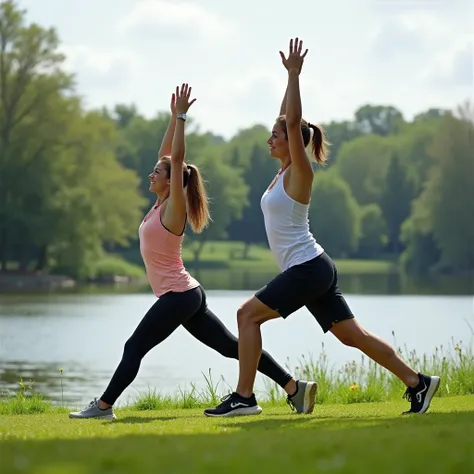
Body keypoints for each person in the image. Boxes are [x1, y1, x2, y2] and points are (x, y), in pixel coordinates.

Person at [204, 39, 440, 418]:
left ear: (293, 143)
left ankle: (244, 397)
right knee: (353, 336)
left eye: (275, 136)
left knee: (246, 315)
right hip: (313, 267)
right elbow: (286, 118)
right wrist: (286, 85)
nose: (270, 138)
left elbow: (292, 122)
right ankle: (419, 383)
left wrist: (295, 75)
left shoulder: (300, 171)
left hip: (308, 268)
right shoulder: (281, 173)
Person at [69, 83, 316, 420]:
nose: (151, 173)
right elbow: (169, 155)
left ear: (171, 182)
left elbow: (177, 159)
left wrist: (184, 118)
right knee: (231, 347)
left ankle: (103, 407)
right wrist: (173, 118)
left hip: (178, 296)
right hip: (186, 294)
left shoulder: (174, 207)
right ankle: (293, 387)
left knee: (133, 347)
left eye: (157, 172)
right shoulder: (159, 205)